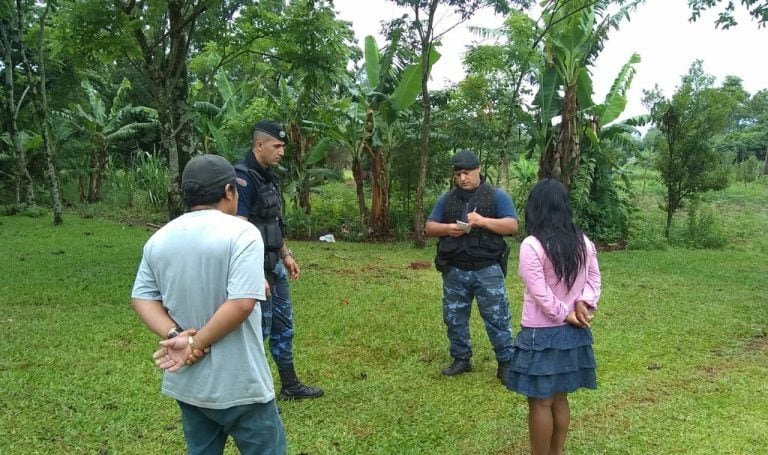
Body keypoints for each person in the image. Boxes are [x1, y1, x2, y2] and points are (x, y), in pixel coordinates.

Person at [131, 154, 287, 454]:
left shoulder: (160, 239)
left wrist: (177, 335)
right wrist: (195, 343)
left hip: (190, 385)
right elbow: (241, 304)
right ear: (230, 191)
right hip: (241, 383)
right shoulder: (241, 233)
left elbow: (142, 298)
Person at [506, 178, 602, 455]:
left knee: (540, 402)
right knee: (560, 398)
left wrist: (566, 313)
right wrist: (583, 304)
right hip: (574, 333)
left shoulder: (532, 245)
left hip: (541, 334)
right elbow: (594, 280)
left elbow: (540, 293)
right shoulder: (583, 241)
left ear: (534, 209)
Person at [235, 119, 324, 400]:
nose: (282, 152)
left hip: (274, 264)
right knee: (256, 333)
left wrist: (286, 254)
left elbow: (271, 221)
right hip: (255, 271)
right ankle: (252, 393)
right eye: (277, 146)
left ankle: (290, 385)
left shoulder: (268, 176)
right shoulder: (242, 178)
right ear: (259, 144)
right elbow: (237, 231)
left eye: (283, 146)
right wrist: (253, 272)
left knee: (283, 326)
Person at [425, 149, 518, 383]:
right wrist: (448, 229)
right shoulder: (447, 198)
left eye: (466, 173)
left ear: (478, 170)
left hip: (487, 269)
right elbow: (429, 227)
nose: (462, 178)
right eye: (458, 174)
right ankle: (461, 359)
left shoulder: (496, 196)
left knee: (497, 317)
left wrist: (484, 222)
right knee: (454, 317)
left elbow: (512, 226)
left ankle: (506, 362)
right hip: (455, 268)